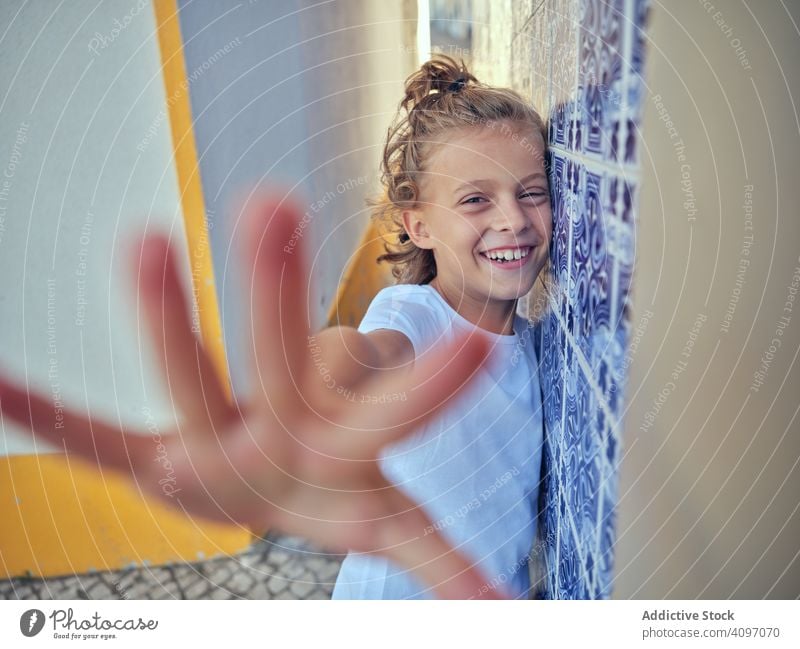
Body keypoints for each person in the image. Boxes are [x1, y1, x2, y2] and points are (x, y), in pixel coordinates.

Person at [0, 55, 552, 600]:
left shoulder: (530, 346)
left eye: (531, 192)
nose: (513, 219)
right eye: (476, 199)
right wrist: (285, 411)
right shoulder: (414, 317)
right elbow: (359, 353)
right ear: (419, 224)